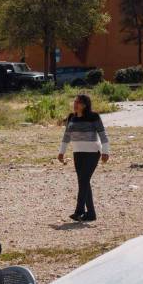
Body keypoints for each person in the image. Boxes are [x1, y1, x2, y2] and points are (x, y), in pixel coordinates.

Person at [58, 93, 110, 223]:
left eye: (78, 102)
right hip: (78, 153)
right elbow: (66, 136)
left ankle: (79, 211)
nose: (75, 104)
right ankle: (91, 214)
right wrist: (61, 152)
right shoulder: (71, 118)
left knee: (84, 181)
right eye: (74, 102)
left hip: (93, 153)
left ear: (85, 105)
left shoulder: (94, 117)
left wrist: (105, 152)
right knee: (83, 182)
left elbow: (103, 135)